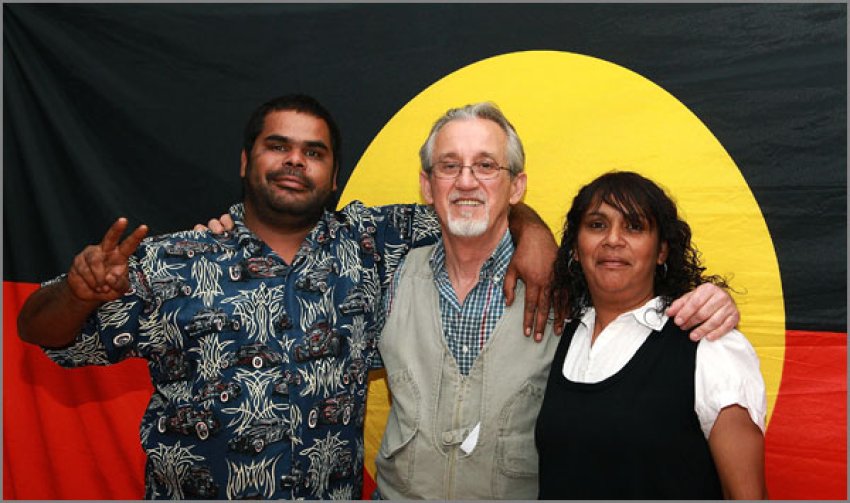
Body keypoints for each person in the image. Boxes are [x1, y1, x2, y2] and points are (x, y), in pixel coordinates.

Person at [15, 94, 558, 500]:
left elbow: (473, 206)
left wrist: (534, 234)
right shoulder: (173, 260)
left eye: (313, 152)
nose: (296, 161)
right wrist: (76, 291)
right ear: (246, 161)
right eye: (279, 146)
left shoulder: (371, 244)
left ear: (333, 175)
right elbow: (39, 331)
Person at [373, 105, 742, 499]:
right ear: (428, 186)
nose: (466, 182)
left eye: (486, 166)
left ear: (516, 187)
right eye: (449, 166)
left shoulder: (572, 290)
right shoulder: (384, 273)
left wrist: (714, 302)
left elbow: (638, 307)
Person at [536, 171, 767, 499]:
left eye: (634, 226)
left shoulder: (710, 346)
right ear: (575, 247)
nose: (613, 239)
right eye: (597, 225)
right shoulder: (558, 334)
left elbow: (747, 496)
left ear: (661, 252)